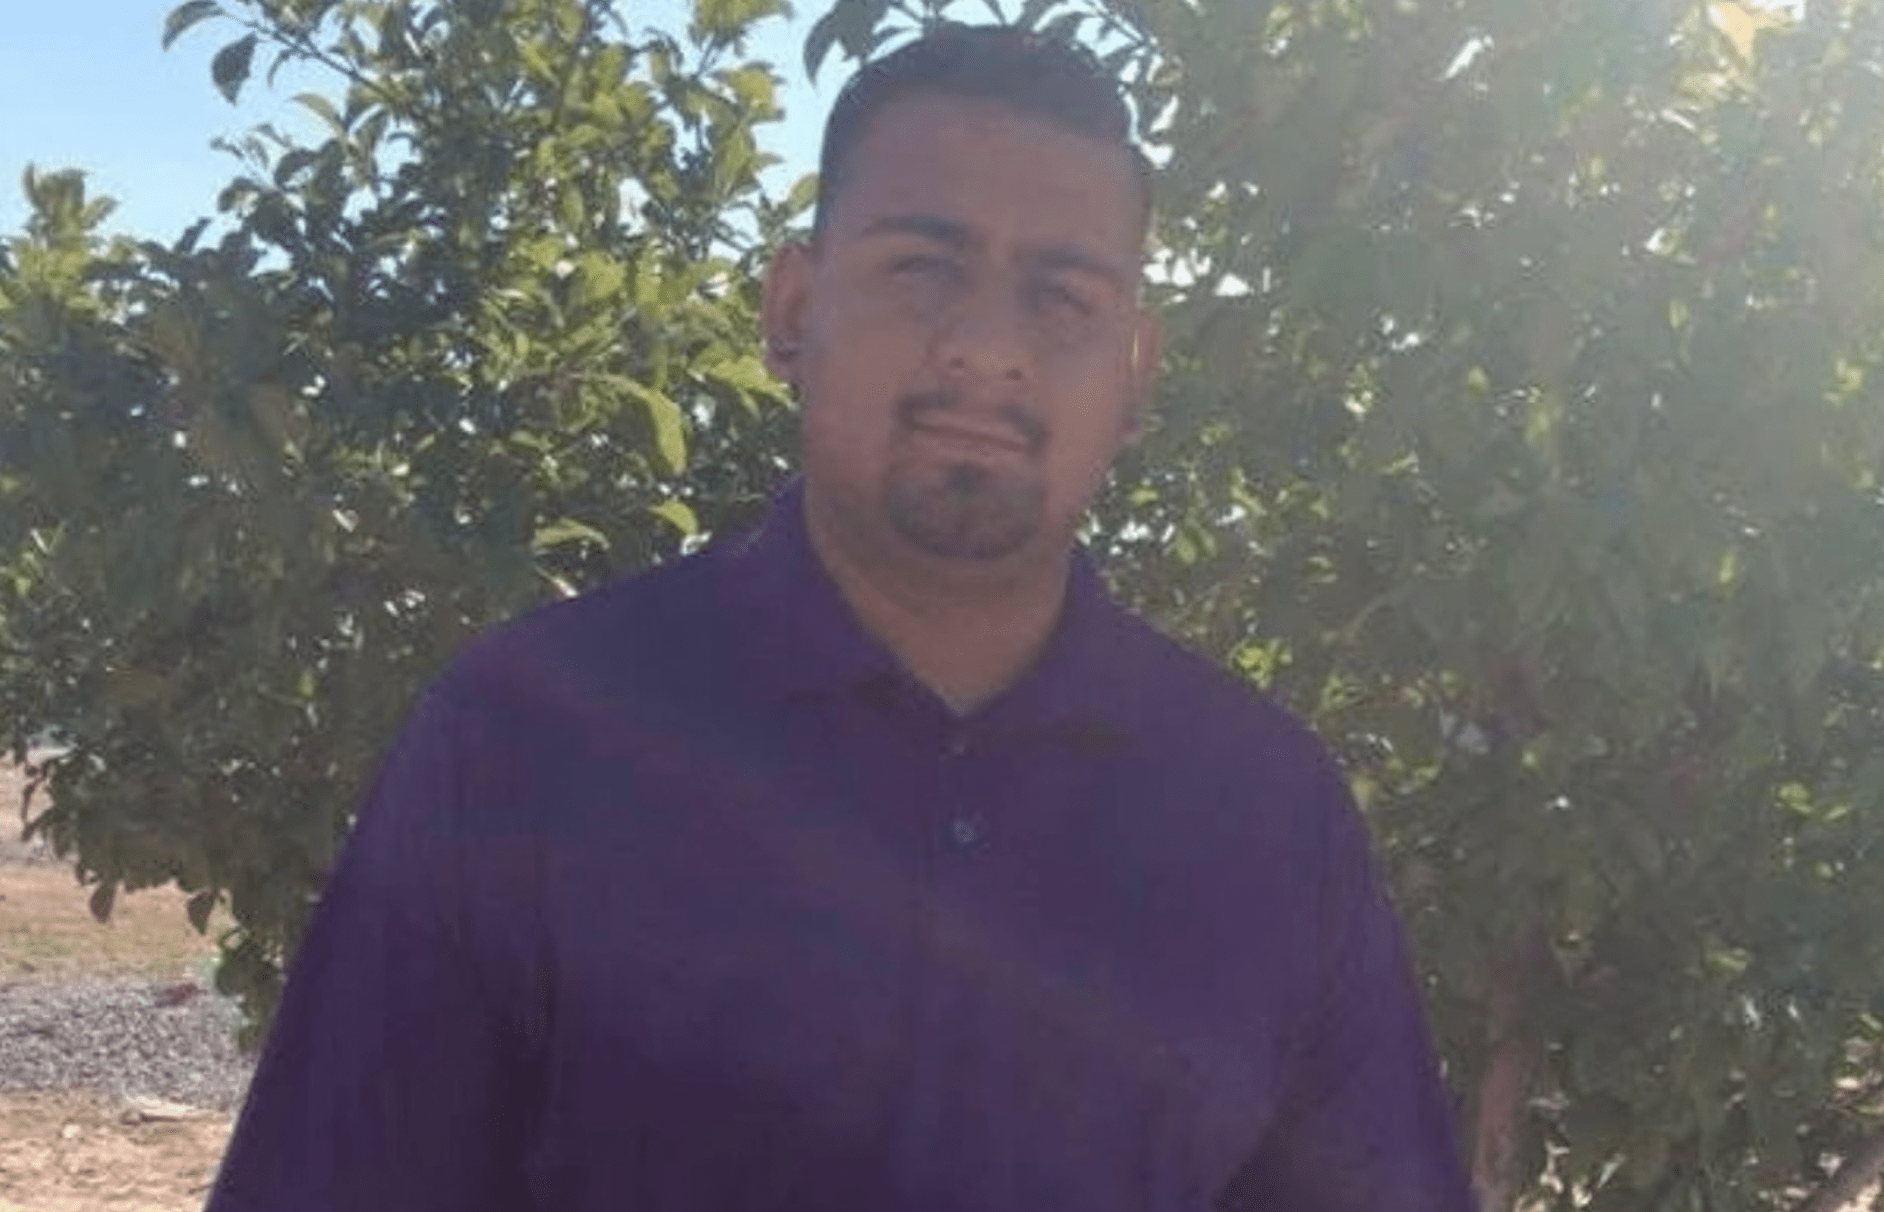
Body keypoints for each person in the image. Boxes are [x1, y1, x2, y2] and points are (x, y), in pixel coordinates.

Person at [206, 24, 1474, 1212]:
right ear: (791, 312)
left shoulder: (1268, 812)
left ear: (1136, 372)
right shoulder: (531, 739)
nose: (988, 348)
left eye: (1064, 296)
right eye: (923, 267)